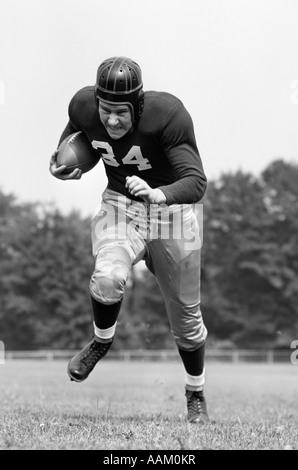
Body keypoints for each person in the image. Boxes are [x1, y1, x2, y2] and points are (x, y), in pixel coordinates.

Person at [49, 56, 208, 423]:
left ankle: (195, 391)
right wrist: (63, 168)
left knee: (186, 320)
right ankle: (102, 341)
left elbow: (197, 182)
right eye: (106, 111)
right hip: (121, 208)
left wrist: (160, 194)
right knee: (107, 277)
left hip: (172, 215)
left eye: (121, 112)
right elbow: (72, 143)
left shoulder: (167, 116)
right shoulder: (84, 107)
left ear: (137, 106)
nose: (112, 120)